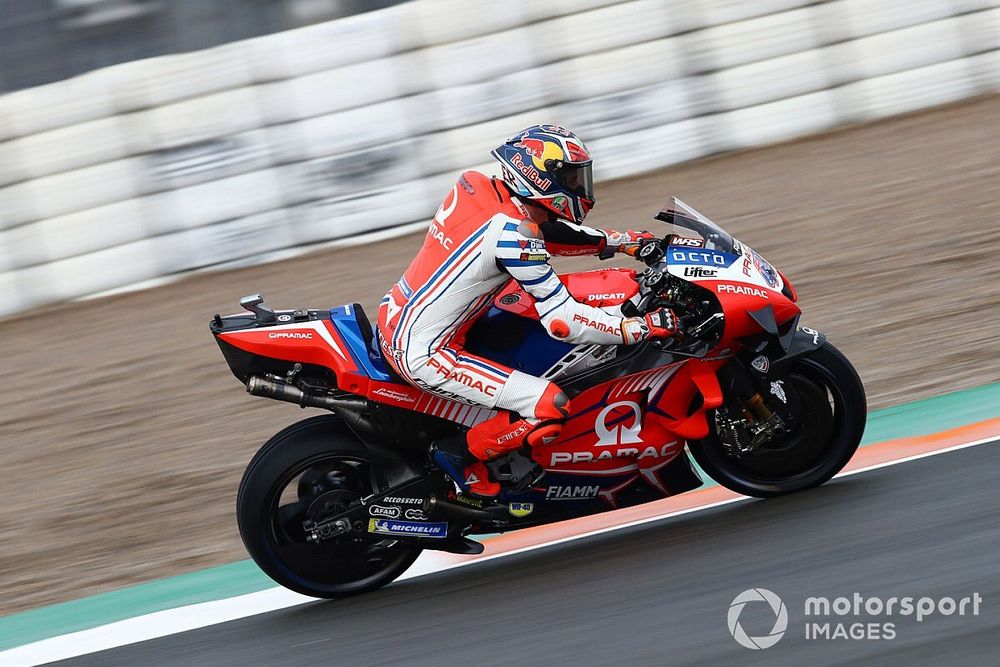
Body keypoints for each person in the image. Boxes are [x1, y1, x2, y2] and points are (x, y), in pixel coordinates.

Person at [376, 124, 678, 497]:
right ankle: (457, 457)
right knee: (549, 405)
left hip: (398, 313)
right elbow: (562, 322)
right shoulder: (514, 237)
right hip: (425, 352)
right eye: (569, 177)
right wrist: (639, 328)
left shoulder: (477, 184)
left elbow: (544, 232)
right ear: (540, 177)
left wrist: (620, 241)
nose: (579, 187)